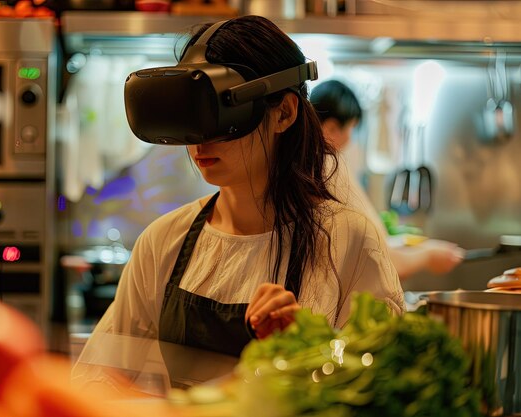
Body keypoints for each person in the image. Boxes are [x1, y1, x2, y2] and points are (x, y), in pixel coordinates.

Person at [76, 16, 405, 361]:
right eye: (194, 114)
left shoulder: (346, 241)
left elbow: (383, 383)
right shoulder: (161, 243)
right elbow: (100, 377)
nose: (202, 139)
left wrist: (313, 350)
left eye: (222, 113)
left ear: (284, 114)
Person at [309, 79, 465, 281]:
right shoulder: (328, 165)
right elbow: (383, 260)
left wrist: (406, 246)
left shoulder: (308, 165)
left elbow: (370, 243)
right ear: (331, 129)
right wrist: (429, 255)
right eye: (352, 128)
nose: (351, 138)